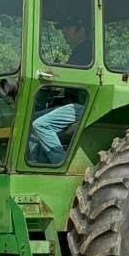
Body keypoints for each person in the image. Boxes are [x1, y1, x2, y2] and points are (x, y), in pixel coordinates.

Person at [28, 14, 91, 164]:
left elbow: (70, 76)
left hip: (81, 108)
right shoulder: (79, 52)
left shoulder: (86, 51)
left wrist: (52, 74)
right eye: (63, 28)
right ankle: (36, 162)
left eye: (67, 27)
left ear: (81, 30)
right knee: (28, 121)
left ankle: (60, 163)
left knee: (40, 124)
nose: (63, 31)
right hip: (72, 106)